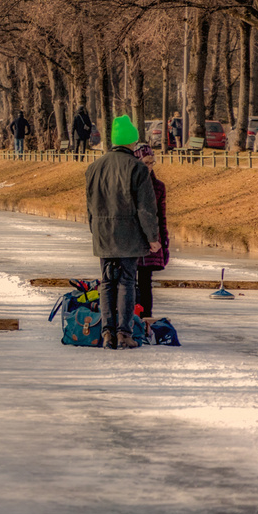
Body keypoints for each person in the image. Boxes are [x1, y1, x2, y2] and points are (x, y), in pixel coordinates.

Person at [84, 118, 159, 348]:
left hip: (103, 232)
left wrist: (94, 230)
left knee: (106, 282)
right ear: (132, 140)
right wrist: (152, 237)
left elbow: (90, 206)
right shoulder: (137, 168)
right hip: (129, 234)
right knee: (127, 280)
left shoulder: (94, 167)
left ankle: (107, 332)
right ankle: (124, 334)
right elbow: (146, 208)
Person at [132, 142, 170, 318]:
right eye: (146, 162)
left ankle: (146, 318)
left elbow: (161, 217)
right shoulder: (129, 184)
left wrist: (164, 243)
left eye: (152, 162)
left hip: (151, 242)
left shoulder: (158, 187)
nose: (149, 166)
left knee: (146, 282)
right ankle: (131, 317)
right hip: (131, 240)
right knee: (129, 282)